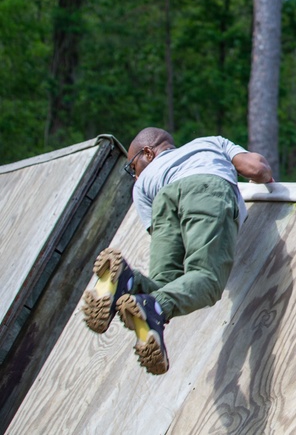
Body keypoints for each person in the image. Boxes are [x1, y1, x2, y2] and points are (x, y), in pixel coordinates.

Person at [81, 128, 274, 375]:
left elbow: (171, 246)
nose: (134, 175)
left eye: (133, 167)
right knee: (207, 280)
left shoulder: (142, 185)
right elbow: (256, 169)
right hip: (207, 186)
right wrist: (267, 179)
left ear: (148, 153)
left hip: (162, 197)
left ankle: (126, 281)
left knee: (163, 283)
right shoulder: (210, 143)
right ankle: (154, 307)